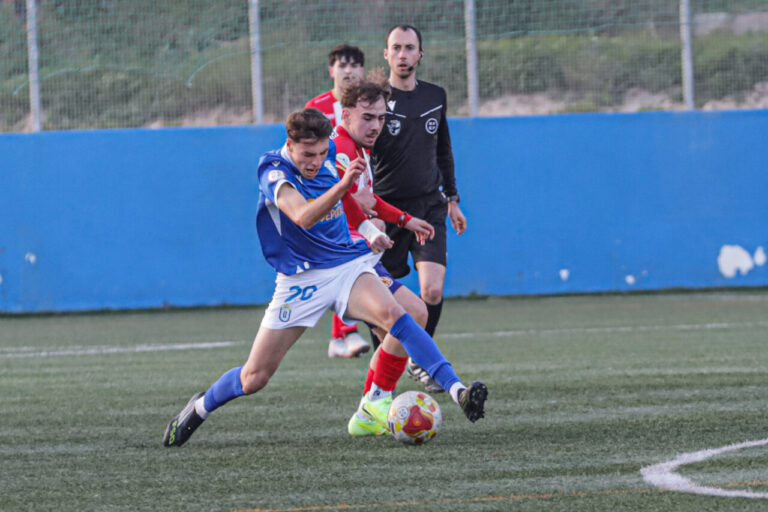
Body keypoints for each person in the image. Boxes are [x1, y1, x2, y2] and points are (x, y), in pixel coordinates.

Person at [162, 108, 487, 447]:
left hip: (346, 265)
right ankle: (199, 408)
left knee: (399, 314)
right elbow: (303, 216)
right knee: (254, 377)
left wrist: (368, 228)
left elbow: (344, 198)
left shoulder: (330, 151)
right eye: (307, 154)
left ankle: (456, 391)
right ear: (290, 144)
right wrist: (345, 185)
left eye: (320, 153)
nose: (315, 161)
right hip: (300, 279)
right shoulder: (273, 169)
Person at [331, 78, 438, 435]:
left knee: (404, 322)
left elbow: (368, 200)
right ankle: (374, 402)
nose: (376, 125)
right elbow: (344, 200)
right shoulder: (341, 149)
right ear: (346, 114)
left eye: (381, 117)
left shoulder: (358, 149)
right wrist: (368, 227)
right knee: (411, 316)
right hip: (340, 265)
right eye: (368, 117)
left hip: (357, 261)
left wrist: (405, 220)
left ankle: (371, 406)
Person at [371, 25, 468, 393]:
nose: (403, 54)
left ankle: (422, 359)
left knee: (432, 291)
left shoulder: (435, 96)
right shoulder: (375, 101)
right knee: (380, 303)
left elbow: (443, 149)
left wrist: (452, 199)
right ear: (386, 54)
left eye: (410, 48)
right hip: (385, 212)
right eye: (396, 47)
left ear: (420, 54)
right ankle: (389, 373)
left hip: (429, 206)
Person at [305, 43, 369, 359]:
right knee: (346, 257)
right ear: (331, 70)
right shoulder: (316, 107)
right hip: (329, 195)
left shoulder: (367, 107)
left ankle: (341, 335)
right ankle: (346, 332)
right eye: (342, 65)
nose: (348, 71)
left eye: (354, 65)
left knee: (355, 257)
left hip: (361, 192)